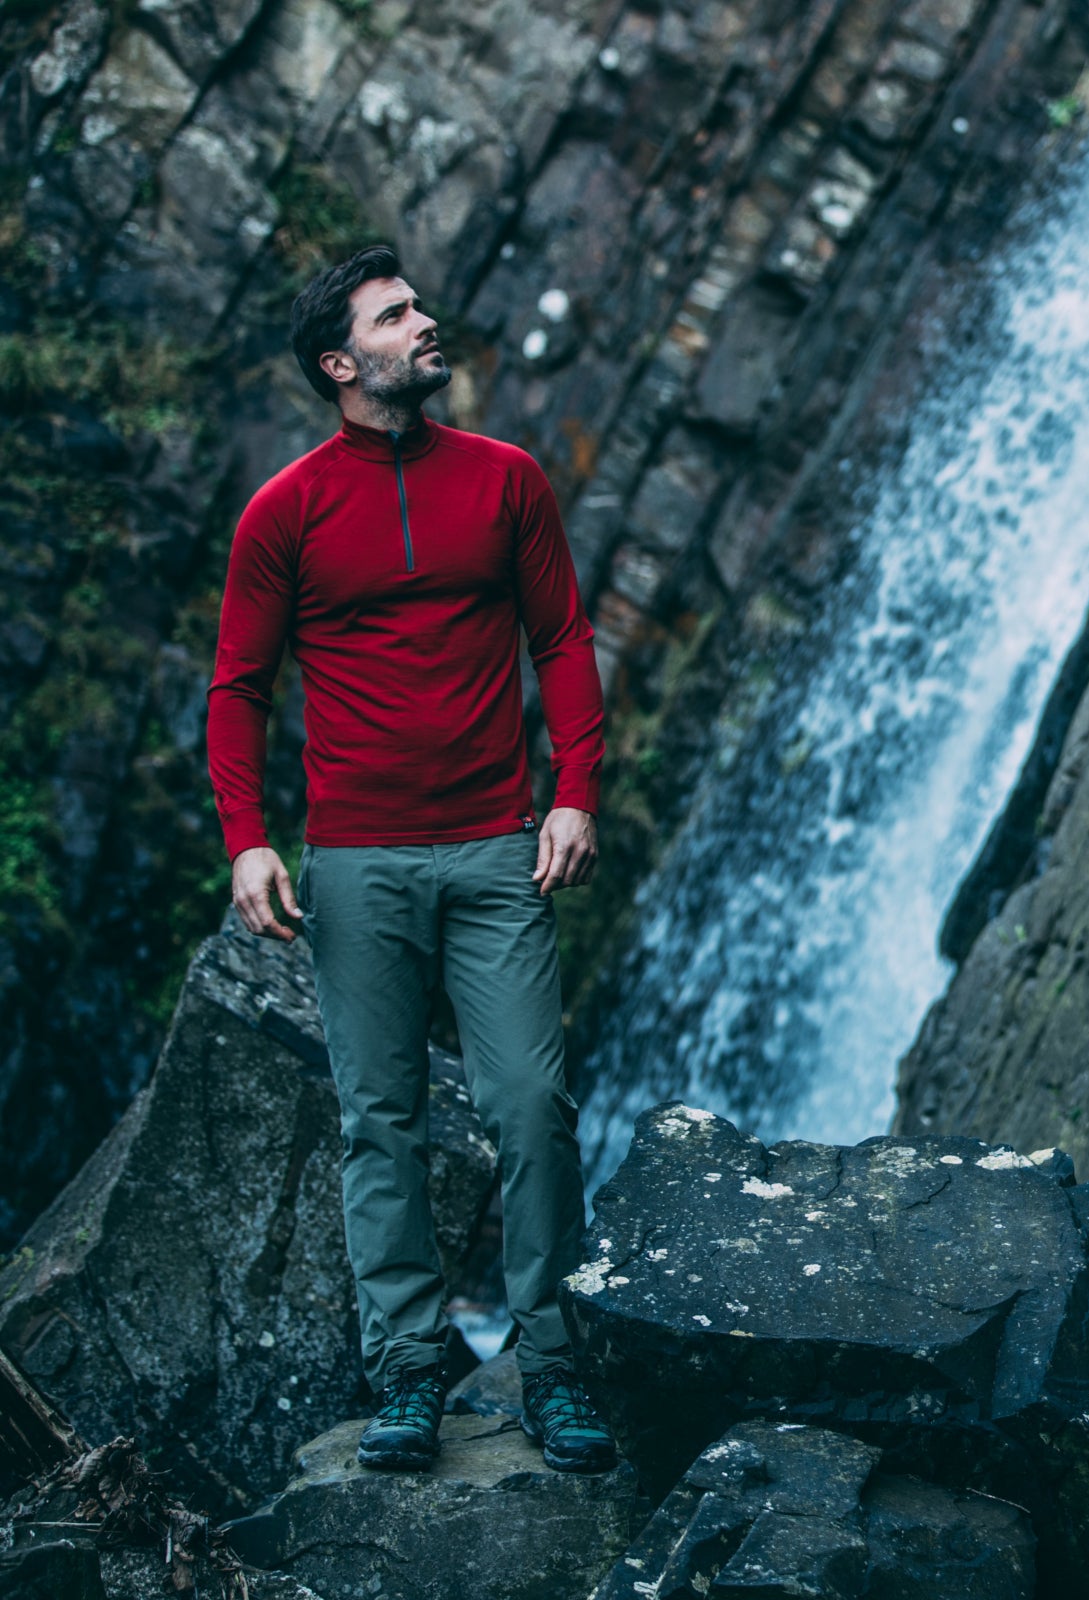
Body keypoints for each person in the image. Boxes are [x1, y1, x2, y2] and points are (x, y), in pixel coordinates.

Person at [207, 244, 616, 1475]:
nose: (426, 324)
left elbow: (564, 640)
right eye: (396, 316)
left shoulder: (506, 482)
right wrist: (246, 839)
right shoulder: (284, 512)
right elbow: (239, 688)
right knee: (378, 1122)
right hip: (356, 865)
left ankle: (551, 1364)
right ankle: (407, 1371)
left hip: (499, 850)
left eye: (419, 306)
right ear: (343, 363)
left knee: (531, 1108)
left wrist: (574, 794)